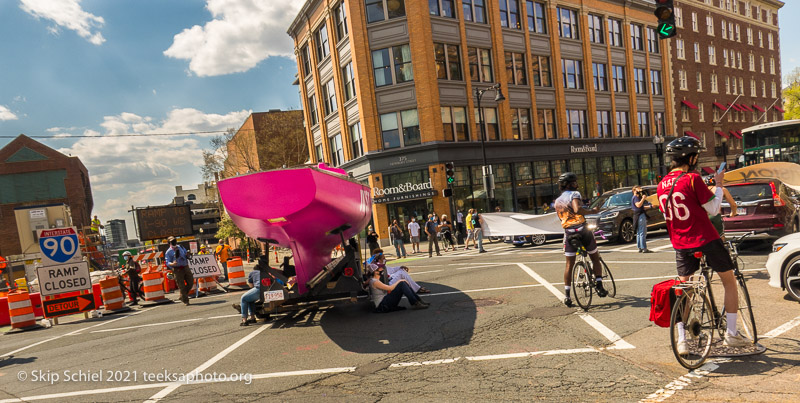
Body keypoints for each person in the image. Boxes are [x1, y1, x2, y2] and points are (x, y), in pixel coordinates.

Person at [657, 136, 751, 352]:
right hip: (705, 238)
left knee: (684, 290)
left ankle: (681, 340)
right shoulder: (691, 178)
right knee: (729, 281)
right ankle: (731, 334)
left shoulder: (661, 185)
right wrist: (718, 184)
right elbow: (714, 209)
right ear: (691, 158)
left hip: (680, 243)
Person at [555, 172, 608, 308]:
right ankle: (599, 286)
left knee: (569, 265)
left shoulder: (558, 201)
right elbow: (578, 209)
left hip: (569, 233)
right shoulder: (575, 194)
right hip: (582, 230)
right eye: (575, 182)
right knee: (595, 257)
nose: (577, 184)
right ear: (571, 184)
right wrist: (592, 211)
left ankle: (567, 296)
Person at [165, 236, 193, 305]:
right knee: (181, 286)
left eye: (174, 241)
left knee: (190, 282)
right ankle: (186, 300)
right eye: (172, 241)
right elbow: (167, 262)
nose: (174, 242)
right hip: (178, 270)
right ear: (169, 243)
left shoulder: (181, 247)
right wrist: (172, 263)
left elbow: (186, 253)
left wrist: (188, 254)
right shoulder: (168, 252)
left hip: (185, 267)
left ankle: (182, 295)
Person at [631, 186, 654, 253]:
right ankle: (644, 248)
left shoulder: (636, 197)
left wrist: (650, 206)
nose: (640, 190)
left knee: (639, 232)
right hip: (640, 215)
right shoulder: (635, 197)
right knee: (642, 232)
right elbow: (638, 205)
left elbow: (642, 207)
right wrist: (643, 199)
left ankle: (640, 247)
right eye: (638, 189)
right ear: (635, 190)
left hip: (638, 215)